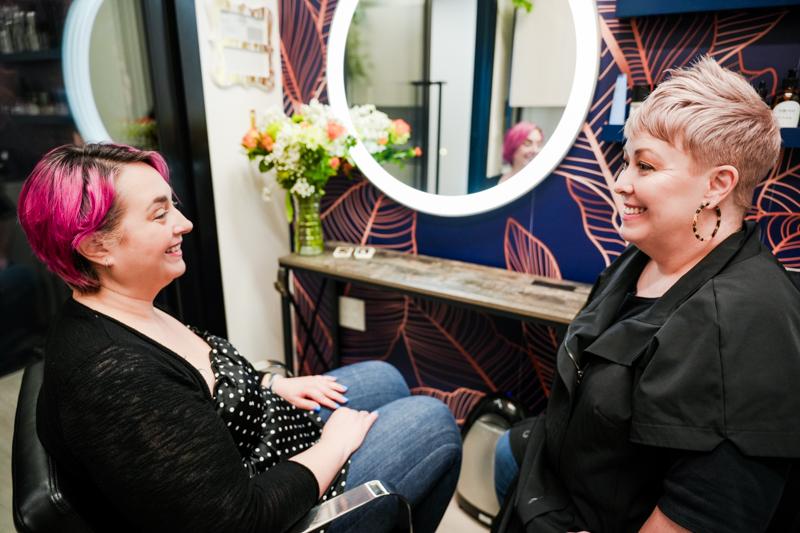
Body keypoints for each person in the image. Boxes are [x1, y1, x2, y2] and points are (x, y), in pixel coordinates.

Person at [17, 143, 462, 533]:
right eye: (159, 214)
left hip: (260, 435)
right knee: (434, 419)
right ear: (97, 247)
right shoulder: (116, 378)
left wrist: (271, 384)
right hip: (262, 500)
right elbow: (237, 520)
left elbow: (201, 369)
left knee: (384, 377)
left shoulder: (122, 306)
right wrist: (335, 445)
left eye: (173, 205)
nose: (185, 223)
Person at [492, 56, 800, 533]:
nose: (620, 183)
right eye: (625, 159)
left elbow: (701, 514)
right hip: (554, 489)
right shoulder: (642, 258)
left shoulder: (745, 324)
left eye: (646, 165)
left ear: (718, 184)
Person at [479, 122, 544, 191]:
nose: (535, 150)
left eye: (539, 145)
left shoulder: (544, 187)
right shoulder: (489, 184)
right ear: (512, 147)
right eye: (527, 144)